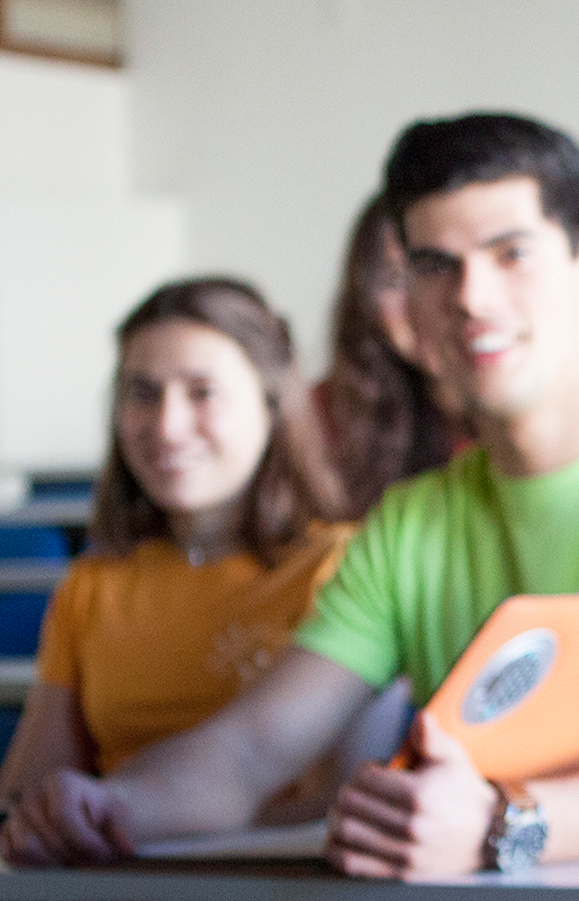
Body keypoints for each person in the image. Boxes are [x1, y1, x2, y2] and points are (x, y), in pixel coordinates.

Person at [10, 113, 579, 878]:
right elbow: (251, 749)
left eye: (510, 253)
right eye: (434, 265)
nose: (470, 298)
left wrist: (505, 822)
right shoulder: (411, 522)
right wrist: (112, 806)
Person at [0, 278, 356, 849]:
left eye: (202, 392)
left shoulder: (342, 567)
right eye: (142, 393)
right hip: (114, 873)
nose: (166, 426)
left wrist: (148, 834)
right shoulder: (94, 584)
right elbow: (28, 794)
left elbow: (339, 801)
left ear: (270, 406)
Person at [315, 193, 465, 516]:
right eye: (394, 280)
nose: (417, 304)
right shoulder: (320, 418)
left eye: (433, 270)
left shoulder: (529, 415)